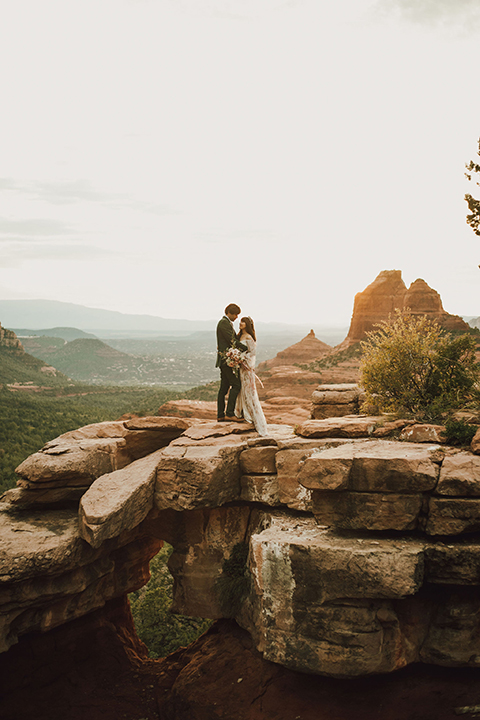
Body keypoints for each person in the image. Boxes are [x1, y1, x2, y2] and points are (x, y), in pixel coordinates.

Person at [235, 316, 268, 436]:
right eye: (240, 321)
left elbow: (252, 353)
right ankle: (242, 413)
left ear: (247, 324)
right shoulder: (239, 336)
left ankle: (252, 416)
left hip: (246, 369)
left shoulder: (249, 337)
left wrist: (244, 361)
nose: (241, 323)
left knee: (249, 391)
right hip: (239, 368)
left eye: (243, 322)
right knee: (241, 390)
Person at [216, 303, 248, 422]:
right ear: (229, 312)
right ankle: (229, 413)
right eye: (235, 314)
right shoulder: (224, 323)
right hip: (226, 360)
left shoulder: (226, 323)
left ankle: (220, 415)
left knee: (224, 387)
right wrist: (246, 348)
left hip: (225, 360)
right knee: (236, 385)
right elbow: (232, 341)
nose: (236, 317)